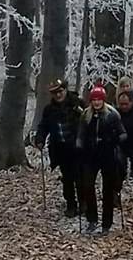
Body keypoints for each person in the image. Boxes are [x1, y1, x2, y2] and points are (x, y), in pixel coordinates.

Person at [77, 85, 127, 235]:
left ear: (103, 100)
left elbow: (123, 133)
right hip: (90, 155)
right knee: (88, 186)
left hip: (108, 154)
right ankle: (92, 219)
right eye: (94, 100)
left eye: (99, 99)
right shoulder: (86, 115)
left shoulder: (112, 114)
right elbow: (81, 133)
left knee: (108, 189)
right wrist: (79, 145)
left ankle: (107, 222)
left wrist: (115, 140)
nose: (96, 102)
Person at [35, 79, 84, 218]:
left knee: (80, 177)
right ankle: (71, 205)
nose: (58, 95)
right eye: (55, 93)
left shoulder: (77, 104)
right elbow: (43, 126)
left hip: (78, 148)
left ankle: (83, 203)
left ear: (65, 90)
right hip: (61, 149)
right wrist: (40, 139)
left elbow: (88, 120)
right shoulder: (49, 110)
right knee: (67, 179)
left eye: (60, 91)